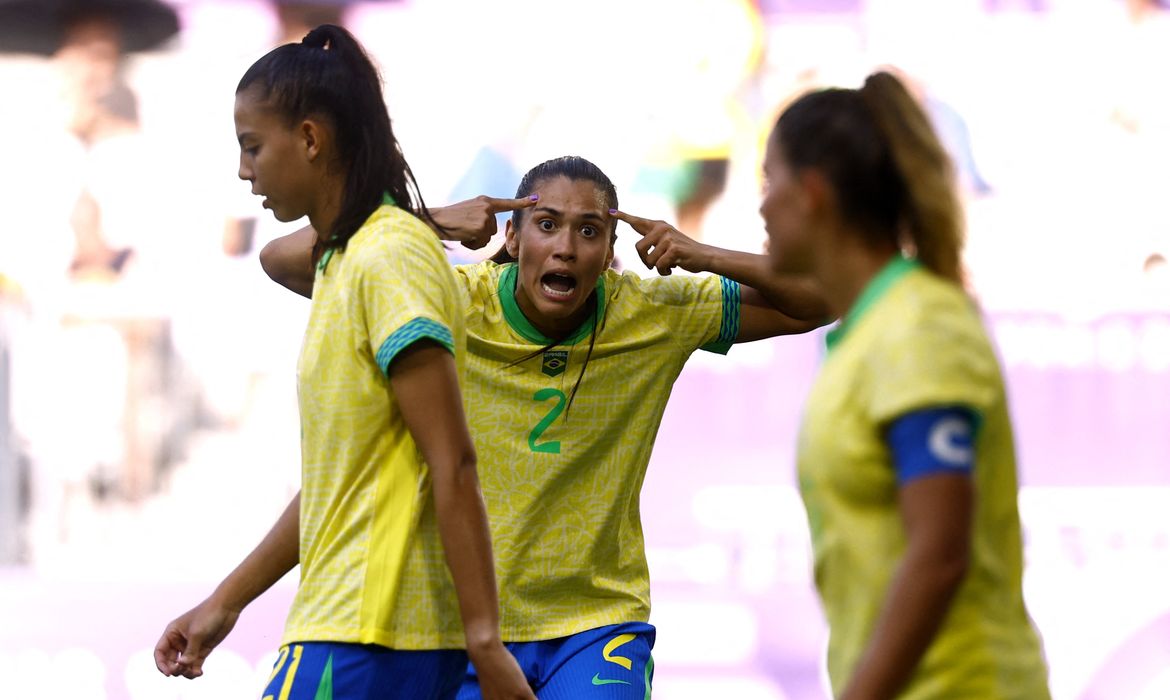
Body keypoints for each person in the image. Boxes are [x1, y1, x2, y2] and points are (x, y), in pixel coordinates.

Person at [258, 155, 829, 698]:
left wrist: (702, 253)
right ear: (512, 238)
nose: (564, 248)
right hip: (461, 628)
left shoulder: (656, 311)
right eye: (547, 225)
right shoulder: (449, 299)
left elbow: (820, 298)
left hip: (594, 626)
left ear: (609, 253)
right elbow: (282, 259)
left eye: (587, 232)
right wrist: (426, 222)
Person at [152, 25, 533, 700]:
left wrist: (485, 642)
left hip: (374, 633)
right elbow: (342, 483)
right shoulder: (349, 258)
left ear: (309, 138)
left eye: (252, 146)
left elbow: (453, 461)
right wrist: (227, 602)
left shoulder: (390, 257)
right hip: (352, 626)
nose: (244, 171)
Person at [760, 71, 1051, 699]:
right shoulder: (868, 333)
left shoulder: (919, 325)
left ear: (812, 194)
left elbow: (941, 553)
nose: (760, 204)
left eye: (769, 180)